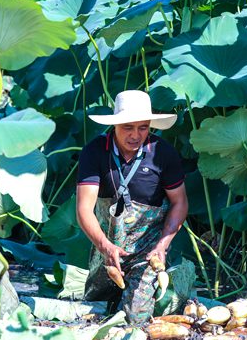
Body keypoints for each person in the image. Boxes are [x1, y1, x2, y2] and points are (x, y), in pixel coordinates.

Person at [76, 90, 188, 323]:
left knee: (134, 316)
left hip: (148, 251)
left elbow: (180, 202)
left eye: (143, 128)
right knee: (93, 311)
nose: (136, 135)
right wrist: (105, 247)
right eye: (128, 127)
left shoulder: (162, 154)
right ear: (115, 125)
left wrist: (162, 245)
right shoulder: (95, 151)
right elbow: (84, 209)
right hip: (106, 245)